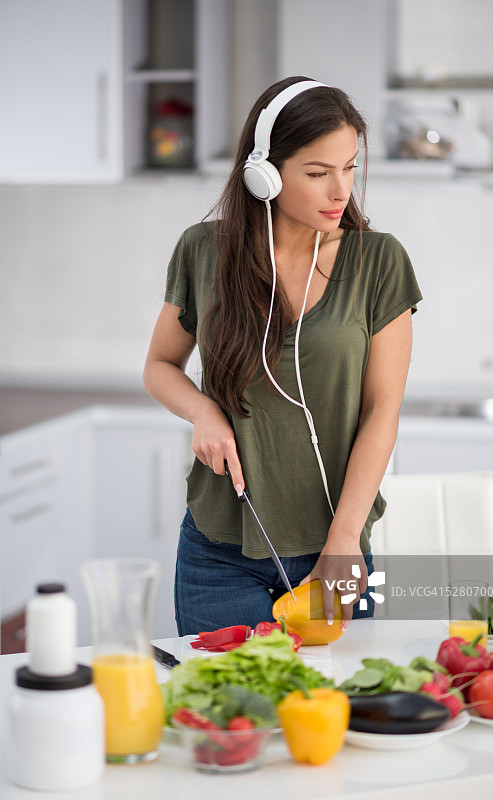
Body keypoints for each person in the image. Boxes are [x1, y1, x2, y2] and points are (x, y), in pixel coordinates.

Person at [143, 76, 422, 636]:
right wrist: (203, 412)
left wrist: (345, 539)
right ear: (264, 174)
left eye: (349, 168)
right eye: (318, 174)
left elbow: (381, 412)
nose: (340, 191)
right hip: (219, 554)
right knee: (232, 717)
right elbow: (159, 367)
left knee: (333, 717)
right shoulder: (203, 251)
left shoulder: (379, 261)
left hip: (333, 552)